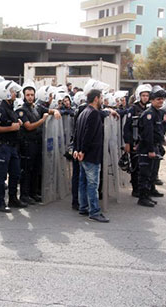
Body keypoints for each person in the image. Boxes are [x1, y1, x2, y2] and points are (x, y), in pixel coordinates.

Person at [73, 89, 109, 223]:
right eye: (101, 98)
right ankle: (94, 211)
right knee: (93, 184)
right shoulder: (93, 114)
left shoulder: (83, 112)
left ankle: (83, 207)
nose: (102, 100)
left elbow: (76, 132)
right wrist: (82, 150)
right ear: (96, 99)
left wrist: (77, 149)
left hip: (83, 154)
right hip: (91, 154)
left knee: (83, 182)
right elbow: (88, 134)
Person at [0, 80, 27, 212]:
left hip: (12, 147)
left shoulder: (10, 107)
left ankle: (13, 199)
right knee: (1, 177)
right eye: (12, 91)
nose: (14, 93)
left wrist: (16, 123)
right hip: (3, 147)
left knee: (15, 174)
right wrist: (11, 127)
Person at [16, 83, 48, 205]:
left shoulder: (36, 108)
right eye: (28, 95)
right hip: (27, 144)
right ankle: (24, 195)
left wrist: (54, 112)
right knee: (27, 170)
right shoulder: (21, 110)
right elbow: (28, 127)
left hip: (37, 144)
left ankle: (33, 193)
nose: (30, 97)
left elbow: (49, 110)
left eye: (32, 95)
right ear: (24, 96)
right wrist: (42, 120)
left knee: (36, 169)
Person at [137, 86, 166, 207]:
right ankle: (142, 197)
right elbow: (147, 134)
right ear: (152, 100)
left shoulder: (157, 113)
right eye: (158, 99)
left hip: (154, 146)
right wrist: (150, 150)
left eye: (162, 99)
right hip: (147, 148)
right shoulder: (149, 114)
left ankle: (148, 195)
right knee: (144, 174)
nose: (161, 101)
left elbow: (159, 131)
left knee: (150, 173)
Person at [123, 84, 152, 198]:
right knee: (135, 167)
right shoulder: (133, 109)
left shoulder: (149, 109)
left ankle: (145, 189)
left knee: (146, 168)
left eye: (147, 95)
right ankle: (136, 189)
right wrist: (128, 143)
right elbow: (127, 128)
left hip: (145, 142)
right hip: (135, 142)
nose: (145, 97)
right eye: (143, 95)